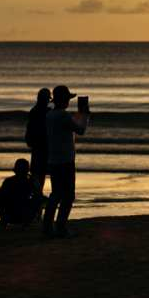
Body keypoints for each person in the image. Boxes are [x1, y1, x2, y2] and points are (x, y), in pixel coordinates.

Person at [41, 85, 88, 238]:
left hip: (54, 159)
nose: (68, 101)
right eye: (67, 99)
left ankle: (48, 226)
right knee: (68, 195)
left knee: (56, 194)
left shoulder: (50, 115)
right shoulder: (63, 116)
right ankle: (60, 226)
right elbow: (80, 130)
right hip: (65, 160)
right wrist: (84, 115)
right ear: (64, 100)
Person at [24, 88, 50, 202]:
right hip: (42, 144)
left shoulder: (34, 110)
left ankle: (37, 193)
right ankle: (37, 194)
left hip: (37, 144)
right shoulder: (46, 111)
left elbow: (29, 128)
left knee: (38, 171)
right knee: (40, 171)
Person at [0, 159, 39, 227]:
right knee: (38, 199)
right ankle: (28, 221)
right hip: (22, 215)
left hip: (9, 215)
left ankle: (4, 221)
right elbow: (38, 195)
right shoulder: (29, 182)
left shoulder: (8, 181)